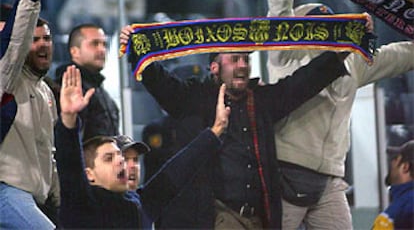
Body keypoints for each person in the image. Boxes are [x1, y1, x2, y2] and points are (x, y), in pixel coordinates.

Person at [121, 23, 353, 228]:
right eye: (234, 59)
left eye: (246, 59)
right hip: (219, 217)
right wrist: (137, 48)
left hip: (260, 218)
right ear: (214, 67)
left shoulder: (260, 100)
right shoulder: (194, 98)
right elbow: (162, 83)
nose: (242, 65)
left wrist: (338, 55)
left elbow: (300, 84)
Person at [266, 0, 414, 230]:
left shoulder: (352, 61)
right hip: (285, 172)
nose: (326, 30)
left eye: (331, 25)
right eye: (318, 25)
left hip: (330, 181)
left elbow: (401, 56)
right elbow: (279, 11)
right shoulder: (285, 52)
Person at [55, 65, 231, 228]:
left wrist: (216, 130)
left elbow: (180, 168)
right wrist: (68, 119)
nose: (121, 162)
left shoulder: (142, 203)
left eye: (120, 156)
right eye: (109, 158)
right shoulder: (81, 205)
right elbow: (69, 167)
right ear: (89, 175)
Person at [0, 0, 63, 229]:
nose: (40, 45)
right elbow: (13, 47)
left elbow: (48, 153)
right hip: (6, 191)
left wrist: (58, 199)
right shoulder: (9, 78)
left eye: (46, 39)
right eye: (33, 39)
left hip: (33, 196)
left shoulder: (46, 91)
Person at [55, 23, 120, 141]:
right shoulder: (63, 89)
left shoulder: (102, 92)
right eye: (94, 44)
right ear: (75, 51)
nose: (102, 50)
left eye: (104, 44)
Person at [372, 140, 414, 229]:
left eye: (395, 159)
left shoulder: (410, 203)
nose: (391, 164)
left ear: (405, 167)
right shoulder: (403, 201)